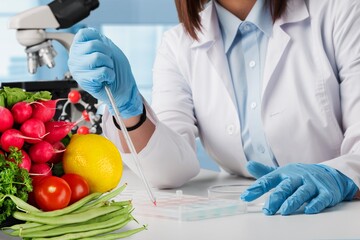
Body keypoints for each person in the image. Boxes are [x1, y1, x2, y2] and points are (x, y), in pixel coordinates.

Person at [68, 0, 360, 216]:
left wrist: (341, 177)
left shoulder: (342, 12)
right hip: (250, 221)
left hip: (341, 216)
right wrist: (127, 106)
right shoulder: (178, 44)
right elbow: (169, 170)